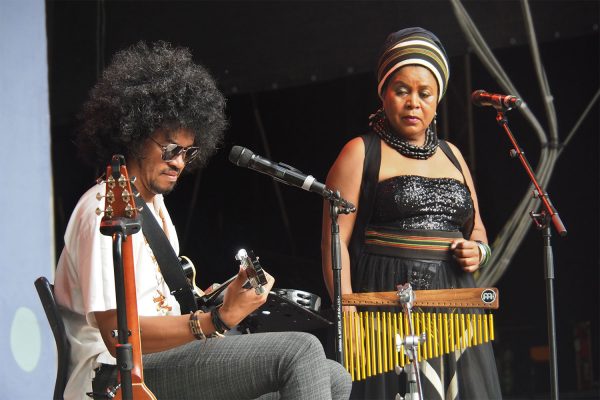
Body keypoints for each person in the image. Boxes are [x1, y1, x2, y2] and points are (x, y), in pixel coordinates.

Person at [54, 40, 351, 400]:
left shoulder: (156, 207)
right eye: (169, 149)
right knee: (301, 353)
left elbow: (158, 305)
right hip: (116, 375)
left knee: (333, 375)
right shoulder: (104, 209)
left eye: (188, 152)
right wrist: (215, 320)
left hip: (167, 360)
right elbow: (118, 336)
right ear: (132, 135)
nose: (179, 162)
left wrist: (215, 299)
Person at [321, 27, 502, 399]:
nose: (413, 102)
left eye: (425, 93)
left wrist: (478, 251)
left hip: (455, 302)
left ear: (437, 101)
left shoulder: (453, 156)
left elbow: (478, 230)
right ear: (384, 94)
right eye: (402, 90)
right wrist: (348, 308)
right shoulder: (359, 152)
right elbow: (334, 240)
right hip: (388, 298)